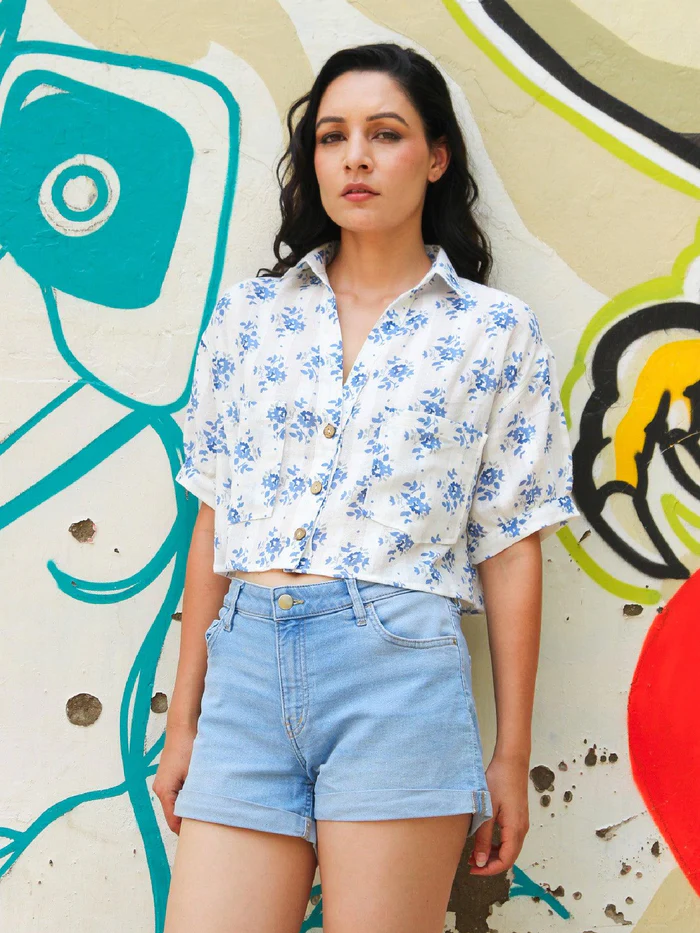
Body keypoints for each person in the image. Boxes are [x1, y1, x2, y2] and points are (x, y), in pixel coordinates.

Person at [158, 42, 578, 933]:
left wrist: (510, 753)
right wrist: (184, 715)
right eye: (332, 136)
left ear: (436, 158)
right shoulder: (249, 315)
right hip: (245, 673)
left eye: (385, 134)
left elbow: (511, 547)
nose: (355, 157)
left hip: (398, 675)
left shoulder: (493, 330)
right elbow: (213, 521)